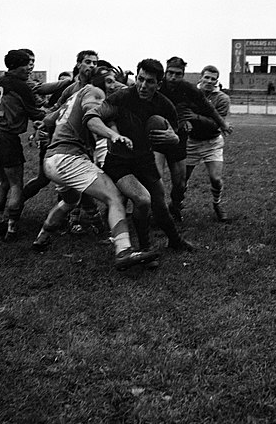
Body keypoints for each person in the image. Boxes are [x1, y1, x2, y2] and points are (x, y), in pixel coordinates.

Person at [31, 66, 159, 270]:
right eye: (108, 81)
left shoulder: (74, 96)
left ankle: (42, 237)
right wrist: (113, 134)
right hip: (68, 159)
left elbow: (48, 119)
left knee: (69, 201)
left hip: (51, 160)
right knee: (114, 196)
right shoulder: (93, 91)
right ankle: (124, 251)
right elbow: (92, 117)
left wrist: (40, 131)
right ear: (98, 82)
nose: (112, 85)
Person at [84, 58, 195, 268]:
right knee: (142, 200)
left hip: (144, 160)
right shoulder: (122, 96)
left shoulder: (163, 103)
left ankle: (175, 241)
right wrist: (111, 134)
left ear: (158, 84)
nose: (144, 85)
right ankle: (144, 248)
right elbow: (92, 118)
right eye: (140, 79)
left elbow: (175, 132)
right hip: (119, 162)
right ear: (136, 77)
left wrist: (173, 138)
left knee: (160, 206)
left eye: (150, 81)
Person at [156, 56, 232, 221]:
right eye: (170, 73)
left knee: (196, 180)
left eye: (178, 74)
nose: (173, 77)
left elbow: (211, 111)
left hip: (207, 141)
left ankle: (213, 204)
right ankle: (164, 211)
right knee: (157, 178)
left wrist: (222, 125)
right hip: (174, 139)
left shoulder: (203, 94)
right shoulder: (157, 85)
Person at [0, 49, 46, 242]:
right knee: (15, 185)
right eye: (26, 65)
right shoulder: (21, 86)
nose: (29, 69)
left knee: (3, 182)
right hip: (7, 138)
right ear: (15, 66)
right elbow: (36, 112)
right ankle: (11, 229)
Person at [22, 50, 99, 202]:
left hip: (85, 143)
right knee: (45, 179)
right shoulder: (70, 88)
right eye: (88, 62)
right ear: (79, 64)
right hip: (60, 141)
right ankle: (18, 202)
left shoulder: (97, 88)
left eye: (95, 63)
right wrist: (43, 122)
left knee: (84, 183)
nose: (92, 66)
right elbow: (57, 109)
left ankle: (75, 219)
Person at [185, 65, 231, 222]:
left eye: (213, 79)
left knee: (216, 179)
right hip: (191, 141)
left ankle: (217, 204)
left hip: (212, 142)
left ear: (217, 81)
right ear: (201, 78)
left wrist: (194, 117)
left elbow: (216, 124)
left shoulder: (222, 98)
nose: (210, 81)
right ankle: (176, 206)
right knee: (181, 180)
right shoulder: (189, 94)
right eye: (207, 77)